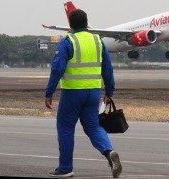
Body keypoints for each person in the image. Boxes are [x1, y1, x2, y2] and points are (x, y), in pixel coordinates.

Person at [44, 9, 122, 177]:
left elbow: (57, 69)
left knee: (65, 128)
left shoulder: (68, 41)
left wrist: (49, 93)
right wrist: (109, 91)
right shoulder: (97, 40)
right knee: (93, 127)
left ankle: (65, 168)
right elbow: (107, 69)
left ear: (70, 25)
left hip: (72, 93)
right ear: (87, 23)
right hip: (93, 92)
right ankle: (109, 152)